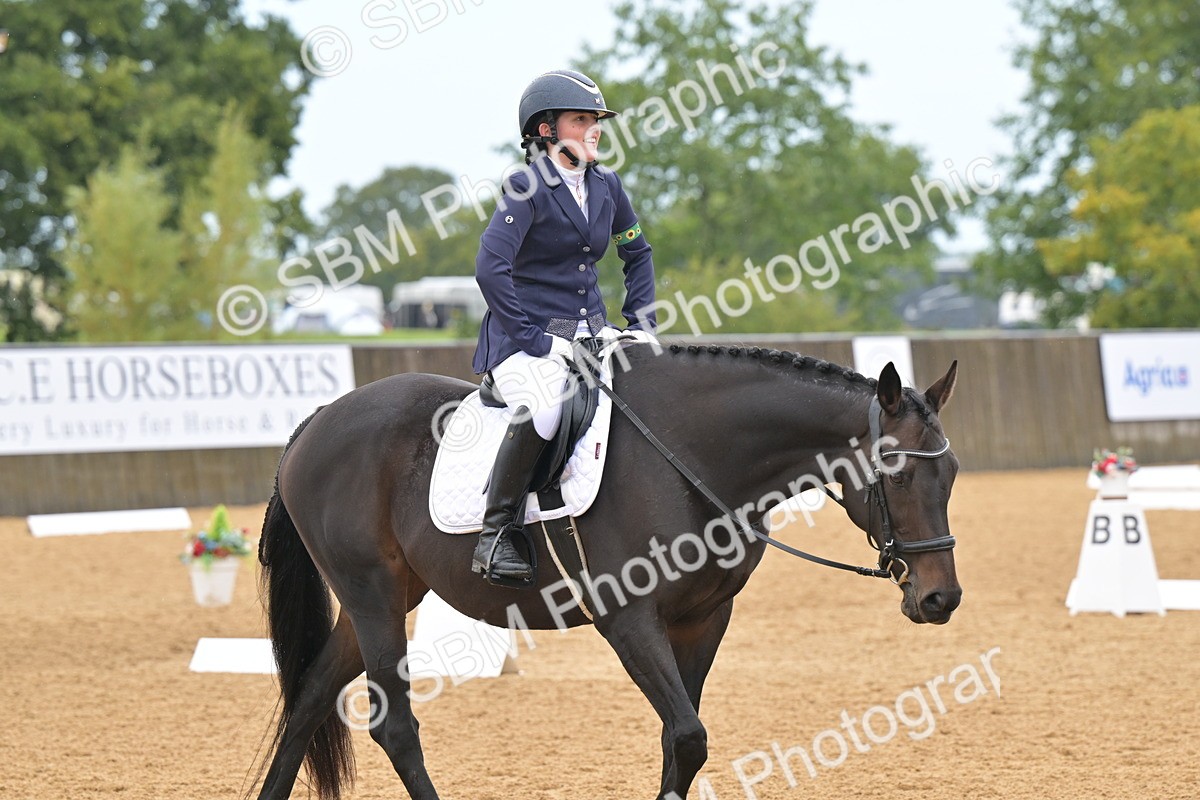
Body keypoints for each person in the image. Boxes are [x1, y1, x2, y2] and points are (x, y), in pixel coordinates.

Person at [470, 69, 657, 587]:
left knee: (653, 391)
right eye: (582, 120)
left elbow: (637, 253)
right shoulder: (525, 186)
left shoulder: (607, 186)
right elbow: (491, 269)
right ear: (547, 130)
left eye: (596, 120)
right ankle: (497, 531)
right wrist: (530, 338)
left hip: (592, 335)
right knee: (548, 408)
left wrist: (639, 324)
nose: (595, 129)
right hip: (524, 342)